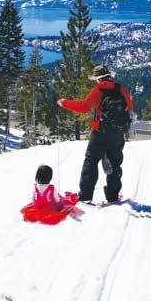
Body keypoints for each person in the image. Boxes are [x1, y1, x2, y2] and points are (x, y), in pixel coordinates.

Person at [57, 64, 134, 203]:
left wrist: (64, 102)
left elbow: (83, 107)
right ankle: (113, 196)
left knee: (91, 161)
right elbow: (130, 107)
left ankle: (86, 195)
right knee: (115, 163)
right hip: (117, 133)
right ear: (108, 76)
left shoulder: (98, 91)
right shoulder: (121, 89)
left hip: (100, 132)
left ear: (98, 79)